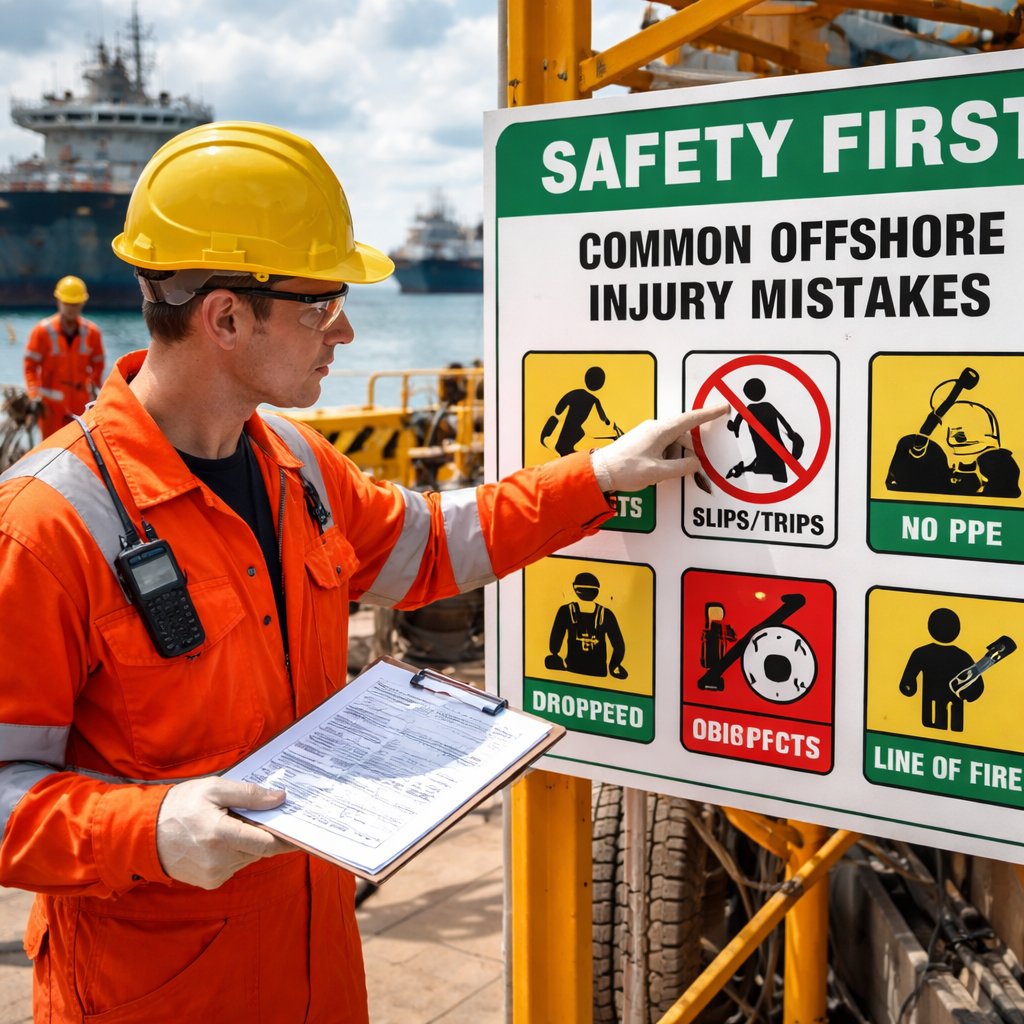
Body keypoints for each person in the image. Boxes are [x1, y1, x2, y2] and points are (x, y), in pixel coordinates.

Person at [0, 121, 726, 1024]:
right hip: (152, 995)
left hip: (317, 968)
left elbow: (430, 546)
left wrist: (600, 477)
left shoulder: (299, 465)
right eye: (320, 304)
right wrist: (149, 830)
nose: (343, 330)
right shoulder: (48, 523)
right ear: (226, 317)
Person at [23, 275, 105, 438]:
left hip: (80, 403)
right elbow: (30, 365)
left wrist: (95, 387)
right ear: (59, 301)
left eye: (75, 304)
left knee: (80, 448)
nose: (71, 308)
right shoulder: (42, 331)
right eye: (67, 303)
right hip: (50, 406)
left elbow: (98, 363)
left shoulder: (92, 332)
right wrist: (34, 394)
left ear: (82, 303)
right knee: (50, 451)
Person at [899, 607, 983, 732]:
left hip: (930, 710)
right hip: (954, 710)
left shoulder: (921, 653)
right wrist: (969, 695)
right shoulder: (962, 656)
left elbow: (907, 683)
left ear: (930, 627)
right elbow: (977, 687)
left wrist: (909, 688)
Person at [545, 571, 628, 679]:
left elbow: (555, 642)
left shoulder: (565, 611)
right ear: (596, 591)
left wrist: (555, 657)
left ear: (575, 588)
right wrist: (614, 666)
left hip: (572, 670)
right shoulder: (606, 614)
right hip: (599, 672)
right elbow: (619, 646)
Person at [726, 377, 804, 483]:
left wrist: (735, 427)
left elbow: (739, 420)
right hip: (772, 441)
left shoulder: (750, 408)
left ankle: (742, 469)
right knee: (770, 462)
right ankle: (743, 469)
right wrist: (791, 433)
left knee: (765, 461)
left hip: (762, 441)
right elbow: (782, 420)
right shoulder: (767, 406)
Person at [541, 365, 616, 457]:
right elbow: (603, 417)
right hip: (574, 428)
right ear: (600, 383)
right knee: (566, 447)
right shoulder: (594, 400)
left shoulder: (575, 393)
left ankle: (566, 453)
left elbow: (558, 410)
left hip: (571, 426)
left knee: (568, 446)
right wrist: (608, 423)